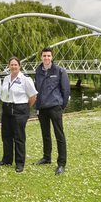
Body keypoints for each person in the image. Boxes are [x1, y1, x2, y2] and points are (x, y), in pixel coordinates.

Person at [33, 47, 70, 176]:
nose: (46, 58)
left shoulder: (59, 71)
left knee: (59, 135)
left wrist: (60, 105)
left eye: (49, 56)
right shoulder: (38, 70)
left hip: (55, 107)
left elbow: (66, 90)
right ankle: (46, 158)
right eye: (44, 56)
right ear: (41, 57)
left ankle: (61, 164)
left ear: (52, 57)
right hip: (42, 108)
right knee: (45, 134)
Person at [0, 57, 37, 172]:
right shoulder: (6, 79)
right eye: (11, 65)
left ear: (19, 66)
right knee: (6, 136)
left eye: (16, 64)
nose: (13, 67)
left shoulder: (25, 79)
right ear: (9, 66)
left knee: (19, 137)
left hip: (19, 109)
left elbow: (33, 96)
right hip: (6, 109)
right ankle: (7, 159)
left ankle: (20, 163)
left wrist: (25, 109)